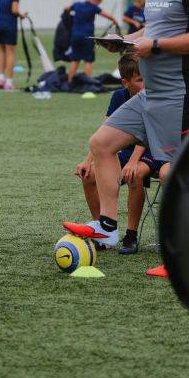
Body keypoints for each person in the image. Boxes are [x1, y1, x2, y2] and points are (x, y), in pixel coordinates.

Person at [64, 0, 189, 250]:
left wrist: (155, 45)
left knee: (177, 173)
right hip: (151, 95)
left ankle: (186, 249)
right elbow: (155, 29)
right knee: (101, 144)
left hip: (182, 97)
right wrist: (126, 41)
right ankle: (107, 227)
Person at [68, 55, 163, 256]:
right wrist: (87, 161)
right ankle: (103, 229)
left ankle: (131, 235)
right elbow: (105, 132)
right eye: (140, 80)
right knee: (89, 175)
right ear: (125, 82)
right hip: (126, 152)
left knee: (134, 174)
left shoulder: (153, 97)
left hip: (151, 150)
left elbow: (146, 134)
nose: (145, 84)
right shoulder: (119, 96)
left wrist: (133, 161)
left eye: (147, 78)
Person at [64, 0, 118, 83]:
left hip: (75, 36)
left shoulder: (77, 5)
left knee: (75, 60)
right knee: (88, 61)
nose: (97, 5)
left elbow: (66, 9)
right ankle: (89, 83)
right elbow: (108, 16)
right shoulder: (93, 7)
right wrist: (114, 20)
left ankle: (69, 82)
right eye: (98, 3)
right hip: (87, 37)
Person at [0, 0, 26, 91]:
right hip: (9, 25)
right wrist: (22, 15)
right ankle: (9, 82)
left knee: (2, 51)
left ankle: (0, 79)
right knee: (10, 53)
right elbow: (14, 10)